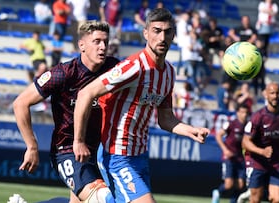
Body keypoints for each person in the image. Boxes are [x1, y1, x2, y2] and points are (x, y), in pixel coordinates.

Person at [73, 8, 210, 203]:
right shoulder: (133, 67)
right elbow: (86, 93)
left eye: (167, 32)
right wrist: (79, 141)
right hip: (116, 156)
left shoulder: (169, 73)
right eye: (156, 31)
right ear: (145, 33)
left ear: (174, 35)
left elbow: (166, 119)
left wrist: (190, 130)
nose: (162, 37)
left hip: (140, 156)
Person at [12, 20, 120, 203]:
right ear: (82, 45)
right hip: (67, 149)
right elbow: (20, 103)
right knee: (101, 199)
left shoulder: (114, 69)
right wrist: (32, 146)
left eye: (105, 42)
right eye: (97, 42)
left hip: (100, 151)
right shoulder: (64, 73)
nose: (103, 47)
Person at [242, 82, 279, 203]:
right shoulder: (258, 116)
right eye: (272, 93)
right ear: (266, 95)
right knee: (255, 200)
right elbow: (245, 142)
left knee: (278, 198)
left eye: (277, 93)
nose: (275, 96)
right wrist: (262, 151)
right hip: (257, 162)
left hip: (275, 163)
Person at [212, 104, 249, 203]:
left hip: (240, 159)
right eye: (242, 112)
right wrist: (225, 150)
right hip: (229, 158)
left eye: (246, 112)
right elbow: (218, 135)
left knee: (241, 185)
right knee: (229, 184)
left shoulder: (248, 126)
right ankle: (217, 192)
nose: (244, 115)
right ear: (238, 113)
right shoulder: (231, 124)